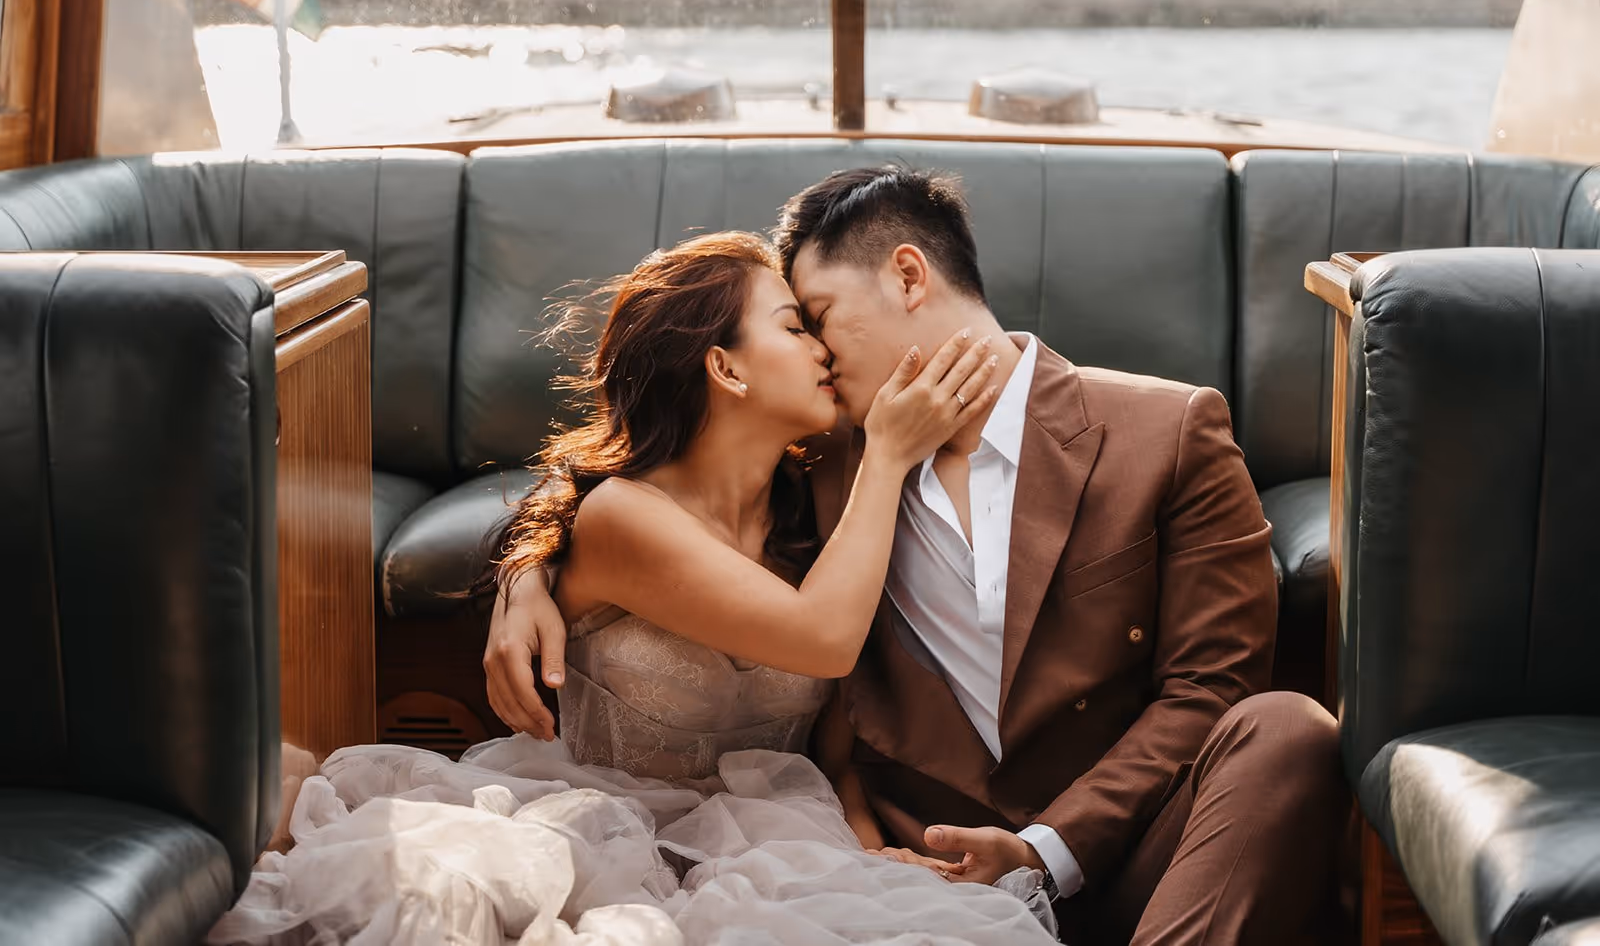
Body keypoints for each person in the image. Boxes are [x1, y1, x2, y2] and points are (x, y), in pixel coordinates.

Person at [486, 166, 1350, 946]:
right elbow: (639, 476)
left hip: (1130, 851)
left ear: (907, 274)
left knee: (1287, 731)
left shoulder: (1167, 431)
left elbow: (1213, 687)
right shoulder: (824, 457)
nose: (818, 353)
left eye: (819, 318)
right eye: (799, 331)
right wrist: (527, 568)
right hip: (906, 879)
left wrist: (1045, 849)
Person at [210, 231, 1058, 946]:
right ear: (725, 367)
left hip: (771, 841)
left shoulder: (820, 507)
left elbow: (829, 755)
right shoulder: (626, 517)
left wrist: (869, 857)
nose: (823, 349)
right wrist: (889, 454)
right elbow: (824, 638)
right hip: (586, 831)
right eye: (795, 327)